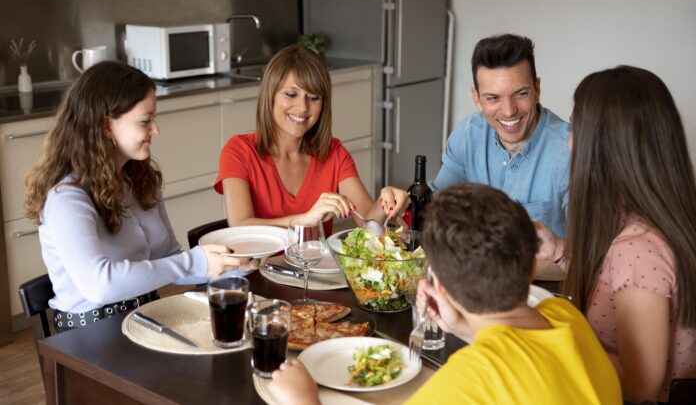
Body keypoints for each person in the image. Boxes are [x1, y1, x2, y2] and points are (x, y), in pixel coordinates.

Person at [268, 183, 622, 404]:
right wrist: (463, 328)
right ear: (531, 268)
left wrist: (302, 400)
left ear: (436, 282)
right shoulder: (567, 317)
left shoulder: (472, 377)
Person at [24, 61, 245, 333]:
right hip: (88, 337)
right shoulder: (66, 197)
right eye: (145, 121)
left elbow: (168, 259)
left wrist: (237, 266)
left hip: (147, 316)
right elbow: (100, 285)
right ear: (106, 126)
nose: (156, 130)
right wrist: (196, 261)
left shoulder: (140, 179)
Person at [536, 66, 696, 403]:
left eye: (576, 130)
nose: (568, 145)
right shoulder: (650, 218)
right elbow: (615, 283)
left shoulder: (638, 249)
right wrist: (559, 251)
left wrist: (546, 337)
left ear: (604, 148)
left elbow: (639, 390)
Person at [215, 45, 408, 232]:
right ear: (270, 95)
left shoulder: (334, 153)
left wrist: (386, 201)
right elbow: (240, 225)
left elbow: (368, 224)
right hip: (256, 265)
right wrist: (305, 220)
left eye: (314, 98)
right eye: (291, 94)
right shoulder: (239, 150)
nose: (303, 107)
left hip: (315, 265)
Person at [433, 34, 570, 237]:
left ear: (537, 89)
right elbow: (437, 208)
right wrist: (406, 206)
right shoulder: (468, 134)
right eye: (493, 98)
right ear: (477, 99)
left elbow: (591, 253)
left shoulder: (570, 150)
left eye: (520, 94)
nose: (508, 111)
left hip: (544, 270)